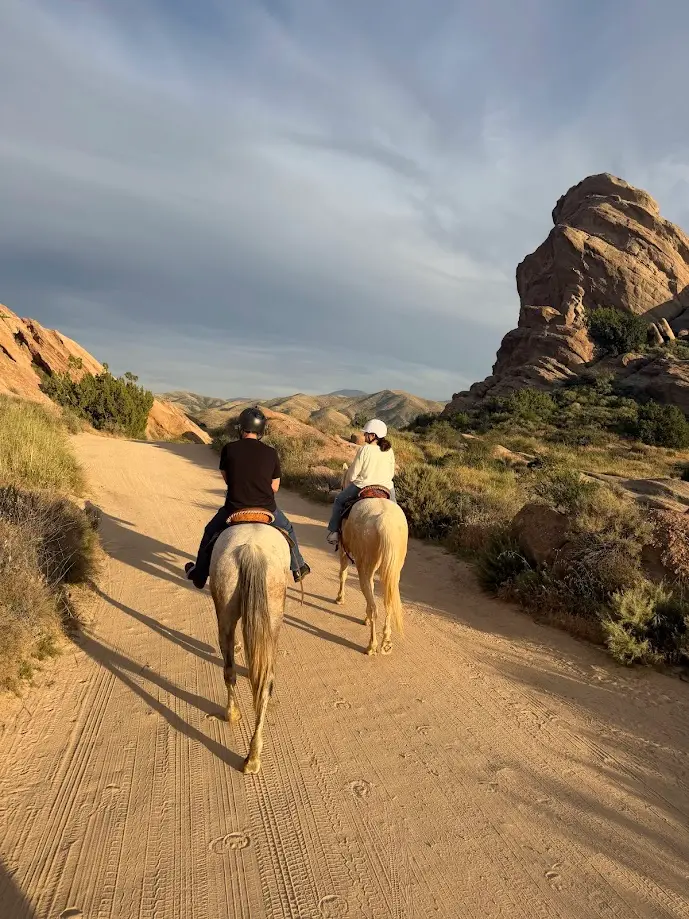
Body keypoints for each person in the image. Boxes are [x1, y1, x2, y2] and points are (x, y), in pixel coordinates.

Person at [184, 407, 310, 588]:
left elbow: (228, 479)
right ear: (261, 430)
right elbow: (274, 487)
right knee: (288, 529)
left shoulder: (229, 449)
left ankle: (200, 575)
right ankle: (298, 567)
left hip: (234, 507)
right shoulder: (271, 452)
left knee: (210, 532)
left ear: (241, 428)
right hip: (267, 508)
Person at [326, 418, 396, 545]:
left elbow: (353, 473)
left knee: (339, 501)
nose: (364, 435)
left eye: (366, 433)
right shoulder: (389, 450)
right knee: (396, 512)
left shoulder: (365, 449)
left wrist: (352, 480)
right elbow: (391, 473)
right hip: (387, 486)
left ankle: (334, 532)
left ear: (373, 436)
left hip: (364, 485)